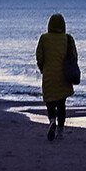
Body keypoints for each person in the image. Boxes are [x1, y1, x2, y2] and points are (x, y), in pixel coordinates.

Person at [35, 12, 78, 141]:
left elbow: (39, 57)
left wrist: (43, 69)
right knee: (61, 104)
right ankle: (60, 132)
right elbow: (74, 56)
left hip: (48, 74)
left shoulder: (44, 38)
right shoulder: (68, 39)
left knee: (50, 102)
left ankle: (52, 121)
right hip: (64, 76)